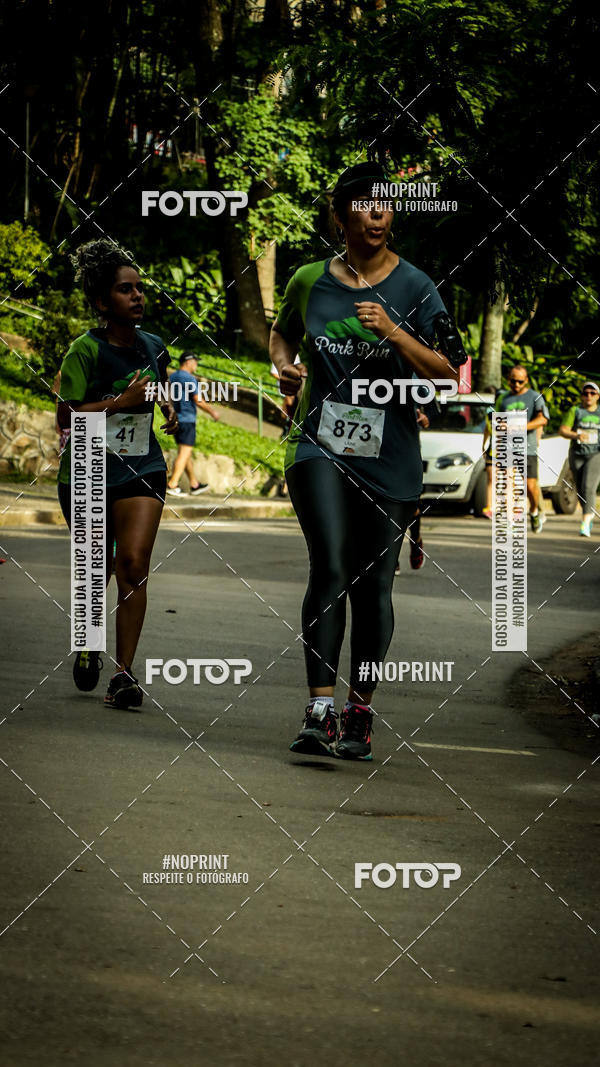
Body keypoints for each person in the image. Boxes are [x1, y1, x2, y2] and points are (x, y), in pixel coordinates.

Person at [270, 161, 459, 761]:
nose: (376, 215)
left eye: (386, 206)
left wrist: (400, 336)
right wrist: (284, 365)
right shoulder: (307, 279)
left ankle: (359, 711)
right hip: (320, 441)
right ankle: (318, 710)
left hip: (391, 449)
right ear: (341, 215)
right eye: (364, 205)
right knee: (328, 566)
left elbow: (448, 371)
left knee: (373, 586)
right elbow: (282, 335)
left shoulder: (417, 287)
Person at [56, 238, 178, 709]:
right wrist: (118, 404)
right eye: (126, 290)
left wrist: (163, 403)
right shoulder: (83, 352)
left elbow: (154, 390)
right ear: (104, 302)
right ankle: (89, 639)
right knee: (96, 568)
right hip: (87, 469)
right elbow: (66, 418)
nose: (138, 296)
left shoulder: (155, 347)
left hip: (142, 467)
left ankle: (125, 674)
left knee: (132, 564)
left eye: (140, 289)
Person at [495, 365, 549, 532]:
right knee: (508, 484)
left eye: (520, 381)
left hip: (528, 448)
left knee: (530, 486)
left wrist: (521, 427)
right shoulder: (503, 398)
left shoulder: (534, 397)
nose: (516, 385)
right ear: (508, 379)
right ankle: (510, 521)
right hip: (508, 448)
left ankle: (534, 511)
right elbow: (496, 420)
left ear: (526, 380)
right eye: (513, 381)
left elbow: (543, 419)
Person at [166, 352, 220, 496]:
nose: (196, 364)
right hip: (187, 420)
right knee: (184, 453)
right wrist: (212, 411)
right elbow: (198, 400)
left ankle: (194, 484)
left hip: (175, 420)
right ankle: (172, 483)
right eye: (195, 361)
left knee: (185, 453)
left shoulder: (172, 377)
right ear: (187, 362)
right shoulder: (189, 378)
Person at [559, 381, 600, 536]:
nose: (588, 396)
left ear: (598, 396)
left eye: (592, 393)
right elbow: (563, 430)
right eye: (585, 393)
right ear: (582, 396)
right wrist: (576, 435)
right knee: (581, 489)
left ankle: (585, 522)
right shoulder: (575, 411)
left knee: (589, 486)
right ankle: (588, 516)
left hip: (596, 453)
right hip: (577, 453)